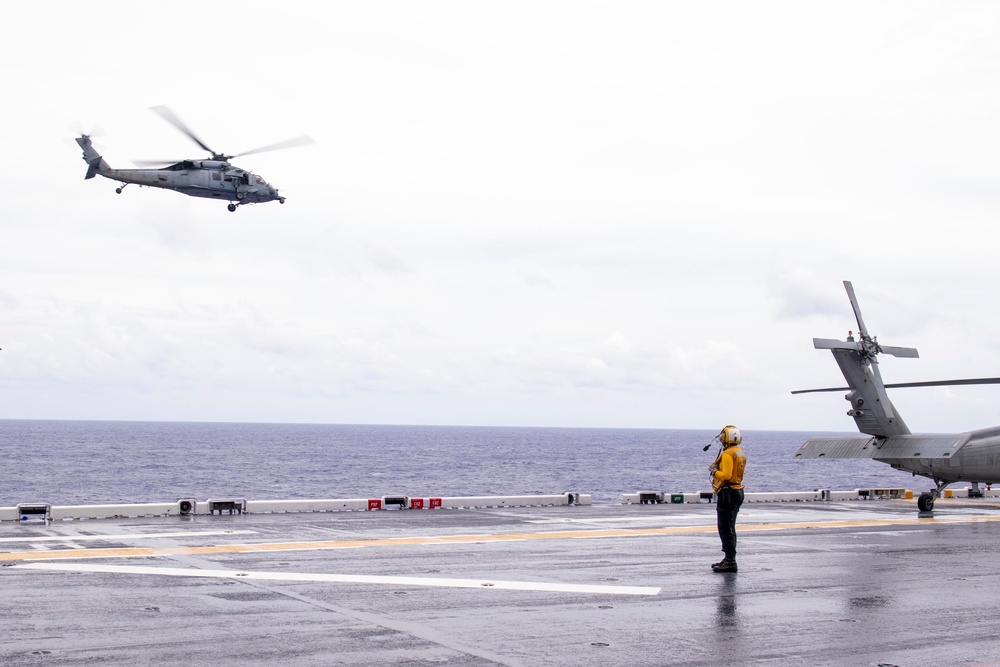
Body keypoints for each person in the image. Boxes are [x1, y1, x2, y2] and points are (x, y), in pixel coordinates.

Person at [709, 425, 746, 573]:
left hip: (728, 493)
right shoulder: (739, 452)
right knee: (730, 527)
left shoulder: (727, 454)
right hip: (737, 491)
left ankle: (730, 561)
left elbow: (726, 476)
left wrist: (715, 471)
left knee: (724, 527)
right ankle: (729, 558)